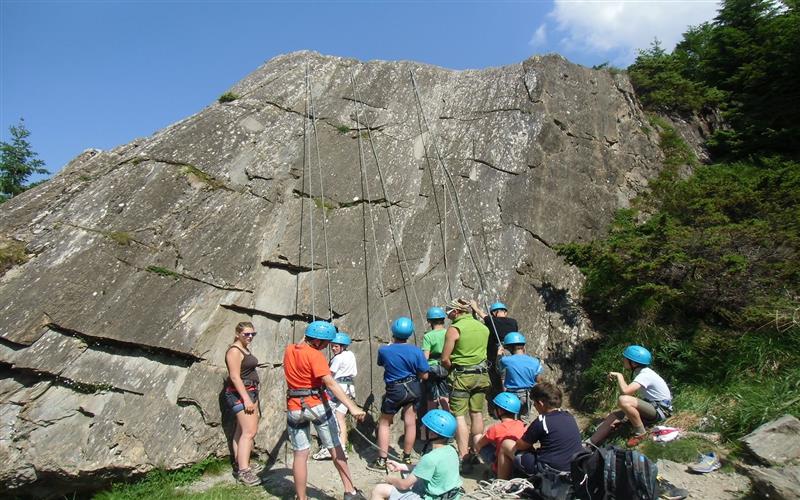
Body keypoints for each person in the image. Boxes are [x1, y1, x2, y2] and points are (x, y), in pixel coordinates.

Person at [284, 320, 368, 500]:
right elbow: (330, 382)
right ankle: (350, 491)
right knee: (335, 448)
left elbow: (302, 342)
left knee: (300, 454)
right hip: (315, 405)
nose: (326, 347)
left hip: (294, 407)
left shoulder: (290, 349)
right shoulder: (315, 356)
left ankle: (301, 497)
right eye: (325, 343)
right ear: (318, 342)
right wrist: (353, 407)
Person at [369, 316, 430, 472]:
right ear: (410, 333)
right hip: (413, 387)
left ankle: (382, 460)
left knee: (384, 422)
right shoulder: (416, 351)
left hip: (395, 389)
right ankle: (407, 456)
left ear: (394, 331)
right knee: (410, 421)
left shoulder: (384, 350)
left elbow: (381, 363)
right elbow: (424, 375)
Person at [589, 345, 673, 447]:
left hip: (661, 410)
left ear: (633, 363)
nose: (623, 360)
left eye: (625, 359)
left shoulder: (645, 375)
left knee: (624, 400)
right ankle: (590, 443)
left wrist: (619, 376)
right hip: (654, 406)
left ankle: (640, 433)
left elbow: (626, 392)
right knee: (614, 416)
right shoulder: (642, 372)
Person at [370, 409, 463, 500]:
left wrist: (389, 479)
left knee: (379, 490)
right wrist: (402, 466)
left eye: (424, 426)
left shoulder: (430, 458)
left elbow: (404, 485)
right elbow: (427, 468)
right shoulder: (452, 450)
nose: (421, 427)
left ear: (432, 434)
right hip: (451, 496)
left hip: (433, 497)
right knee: (405, 472)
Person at [441, 298, 490, 464]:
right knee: (476, 413)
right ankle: (477, 450)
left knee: (459, 415)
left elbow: (445, 359)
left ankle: (464, 456)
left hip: (462, 376)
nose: (448, 317)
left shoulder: (455, 329)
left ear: (456, 311)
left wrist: (451, 369)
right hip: (482, 375)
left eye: (449, 313)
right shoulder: (483, 327)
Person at [507, 382, 583, 477]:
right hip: (573, 468)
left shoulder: (542, 421)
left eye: (534, 403)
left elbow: (520, 446)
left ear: (541, 403)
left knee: (507, 445)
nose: (534, 405)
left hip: (551, 471)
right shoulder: (569, 416)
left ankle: (501, 481)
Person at [224, 321, 263, 486]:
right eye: (246, 334)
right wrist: (246, 398)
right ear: (237, 334)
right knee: (249, 432)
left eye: (252, 334)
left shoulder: (244, 349)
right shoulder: (234, 351)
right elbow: (234, 376)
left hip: (248, 392)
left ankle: (240, 464)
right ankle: (244, 471)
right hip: (241, 394)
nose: (250, 337)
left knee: (241, 432)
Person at [313, 331, 357, 460]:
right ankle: (343, 447)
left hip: (337, 388)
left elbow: (329, 374)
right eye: (332, 346)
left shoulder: (338, 358)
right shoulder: (351, 355)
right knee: (340, 417)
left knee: (330, 417)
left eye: (336, 346)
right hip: (349, 388)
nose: (333, 348)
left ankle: (330, 447)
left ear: (342, 346)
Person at [470, 300, 519, 406]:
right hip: (514, 352)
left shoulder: (493, 321)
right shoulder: (513, 322)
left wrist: (475, 307)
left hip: (501, 352)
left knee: (503, 377)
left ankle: (506, 401)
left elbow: (483, 316)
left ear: (493, 313)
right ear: (505, 312)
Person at [472, 392, 526, 479]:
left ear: (500, 411)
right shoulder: (521, 424)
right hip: (517, 461)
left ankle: (493, 471)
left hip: (501, 463)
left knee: (477, 437)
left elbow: (479, 444)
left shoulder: (496, 428)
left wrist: (486, 433)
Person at [496, 332, 544, 418]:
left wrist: (499, 355)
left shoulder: (505, 360)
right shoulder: (535, 361)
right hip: (528, 395)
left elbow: (499, 370)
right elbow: (539, 379)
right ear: (523, 346)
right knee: (524, 419)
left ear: (509, 348)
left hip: (511, 395)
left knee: (511, 419)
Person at [421, 306, 449, 413]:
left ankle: (431, 425)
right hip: (445, 366)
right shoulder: (449, 333)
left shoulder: (428, 336)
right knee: (445, 396)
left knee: (431, 398)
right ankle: (448, 420)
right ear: (443, 319)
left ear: (429, 321)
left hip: (432, 368)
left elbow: (425, 357)